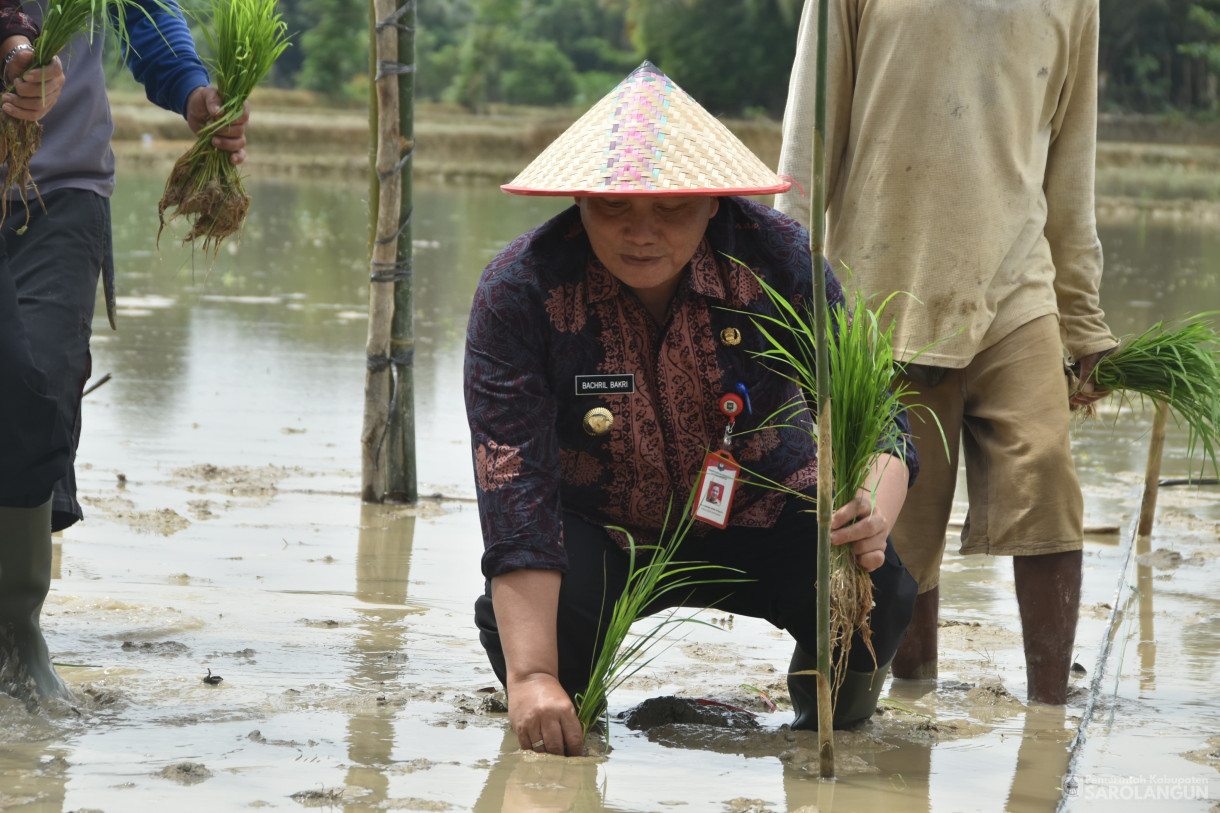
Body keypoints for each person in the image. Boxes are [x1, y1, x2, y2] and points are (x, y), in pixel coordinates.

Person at [464, 62, 919, 757]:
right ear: (580, 199)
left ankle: (819, 708)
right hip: (601, 530)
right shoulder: (519, 292)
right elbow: (514, 486)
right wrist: (530, 676)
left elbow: (878, 413)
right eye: (615, 207)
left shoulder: (783, 262)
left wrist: (870, 504)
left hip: (765, 511)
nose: (642, 233)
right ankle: (562, 690)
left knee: (877, 589)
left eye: (672, 209)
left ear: (714, 202)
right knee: (554, 663)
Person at [776, 0, 1116, 705]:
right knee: (899, 519)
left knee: (1046, 474)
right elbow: (807, 145)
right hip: (883, 285)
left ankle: (1049, 705)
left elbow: (1070, 166)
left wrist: (1083, 322)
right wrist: (788, 301)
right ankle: (914, 691)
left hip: (1015, 286)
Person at [0, 0, 249, 701]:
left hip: (60, 185)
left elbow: (145, 11)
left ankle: (17, 630)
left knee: (40, 384)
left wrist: (195, 91)